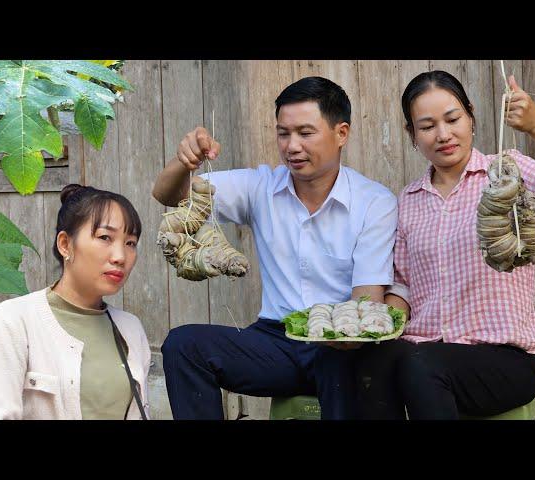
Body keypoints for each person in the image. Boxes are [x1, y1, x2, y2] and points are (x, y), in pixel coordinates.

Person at [356, 70, 535, 420]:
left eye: (452, 119)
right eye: (427, 126)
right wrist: (375, 321)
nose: (443, 134)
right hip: (426, 350)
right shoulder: (409, 200)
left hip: (506, 357)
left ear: (471, 115)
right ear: (411, 133)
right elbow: (404, 287)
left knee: (422, 367)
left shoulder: (506, 173)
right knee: (367, 364)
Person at [153, 76, 398, 419]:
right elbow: (170, 196)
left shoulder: (374, 202)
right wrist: (185, 162)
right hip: (276, 343)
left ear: (341, 133)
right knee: (184, 345)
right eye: (284, 133)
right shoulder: (260, 187)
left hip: (339, 345)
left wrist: (335, 339)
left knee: (340, 359)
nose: (292, 146)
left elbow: (366, 305)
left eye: (305, 132)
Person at [0, 184, 151, 420]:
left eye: (130, 243)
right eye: (105, 237)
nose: (120, 257)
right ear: (65, 244)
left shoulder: (131, 328)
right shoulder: (13, 322)